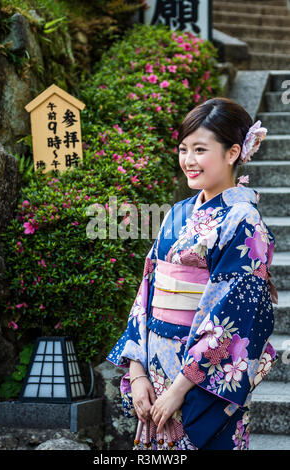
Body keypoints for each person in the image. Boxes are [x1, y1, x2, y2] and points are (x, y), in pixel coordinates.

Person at [106, 97, 279, 450]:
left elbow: (236, 317)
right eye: (184, 149)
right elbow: (147, 291)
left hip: (198, 380)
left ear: (232, 153)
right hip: (154, 370)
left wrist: (179, 390)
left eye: (200, 149)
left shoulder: (243, 221)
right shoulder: (177, 213)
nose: (188, 160)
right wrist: (138, 374)